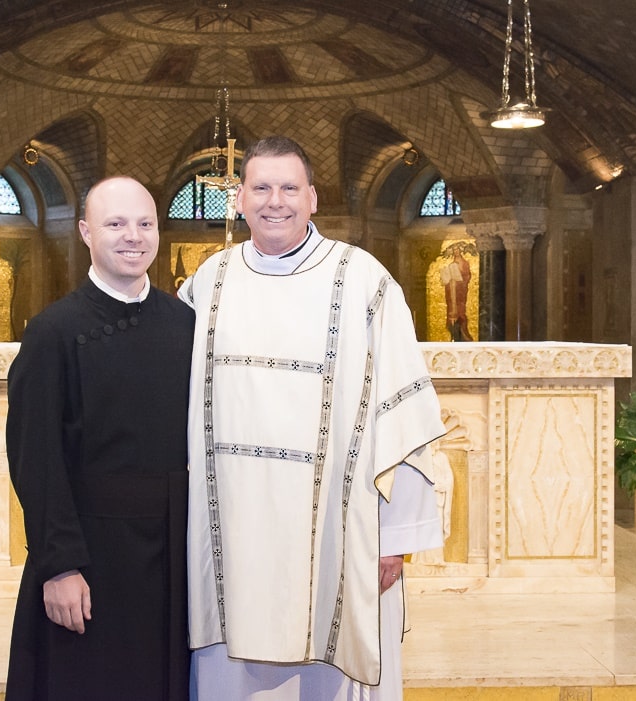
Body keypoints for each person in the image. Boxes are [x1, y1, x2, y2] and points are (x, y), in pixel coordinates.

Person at [179, 136, 446, 700]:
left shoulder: (362, 281)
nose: (276, 201)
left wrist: (392, 538)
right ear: (240, 200)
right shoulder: (209, 281)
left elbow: (406, 414)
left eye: (289, 188)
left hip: (340, 538)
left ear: (313, 198)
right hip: (234, 527)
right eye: (261, 188)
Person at [5, 176, 195, 701]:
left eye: (144, 224)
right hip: (89, 557)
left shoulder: (184, 324)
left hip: (169, 558)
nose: (132, 237)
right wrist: (59, 564)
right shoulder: (54, 332)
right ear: (87, 232)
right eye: (115, 224)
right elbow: (35, 458)